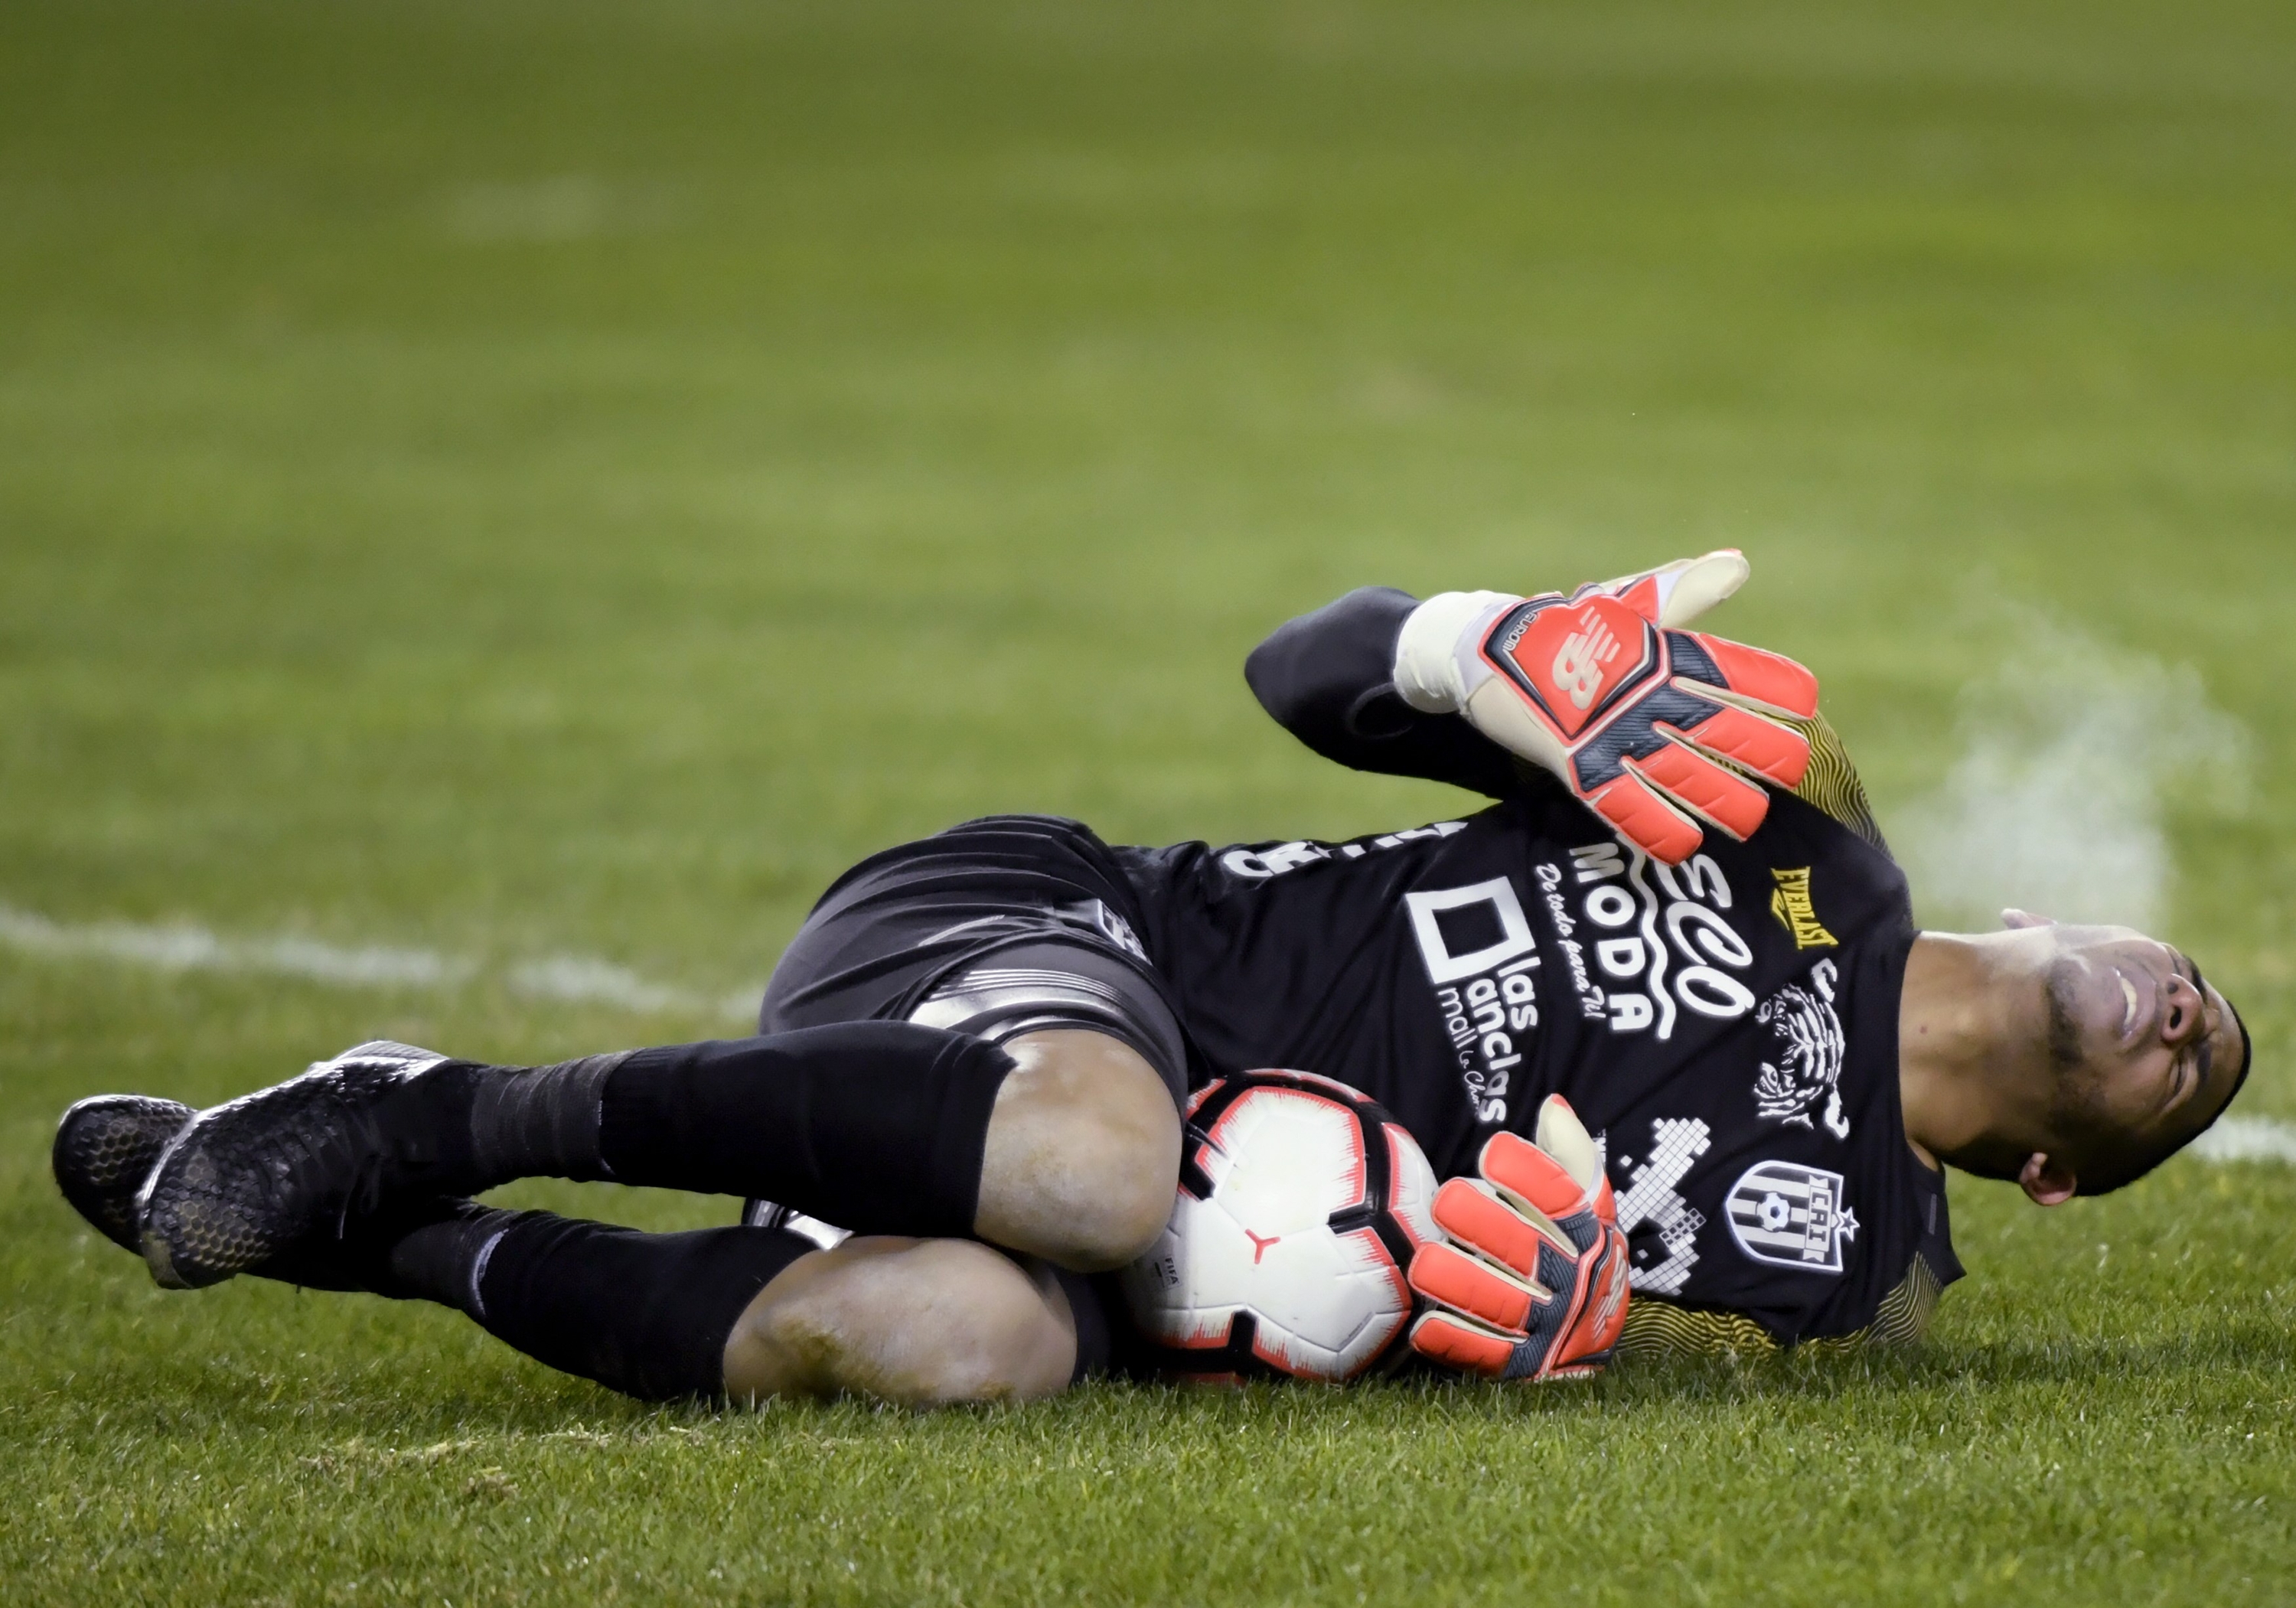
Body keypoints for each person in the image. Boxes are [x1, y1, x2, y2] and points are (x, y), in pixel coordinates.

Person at [53, 553, 2250, 1407]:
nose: (2182, 1012)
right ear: (2054, 912)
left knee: (975, 1346)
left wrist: (1554, 1327)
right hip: (1051, 935)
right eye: (2183, 979)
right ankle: (452, 1105)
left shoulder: (1860, 1273)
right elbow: (1295, 666)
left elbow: (1500, 1309)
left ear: (2073, 1178)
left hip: (1156, 1250)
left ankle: (393, 1234)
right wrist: (1491, 651)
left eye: (2202, 1069)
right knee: (1096, 1163)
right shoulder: (1788, 798)